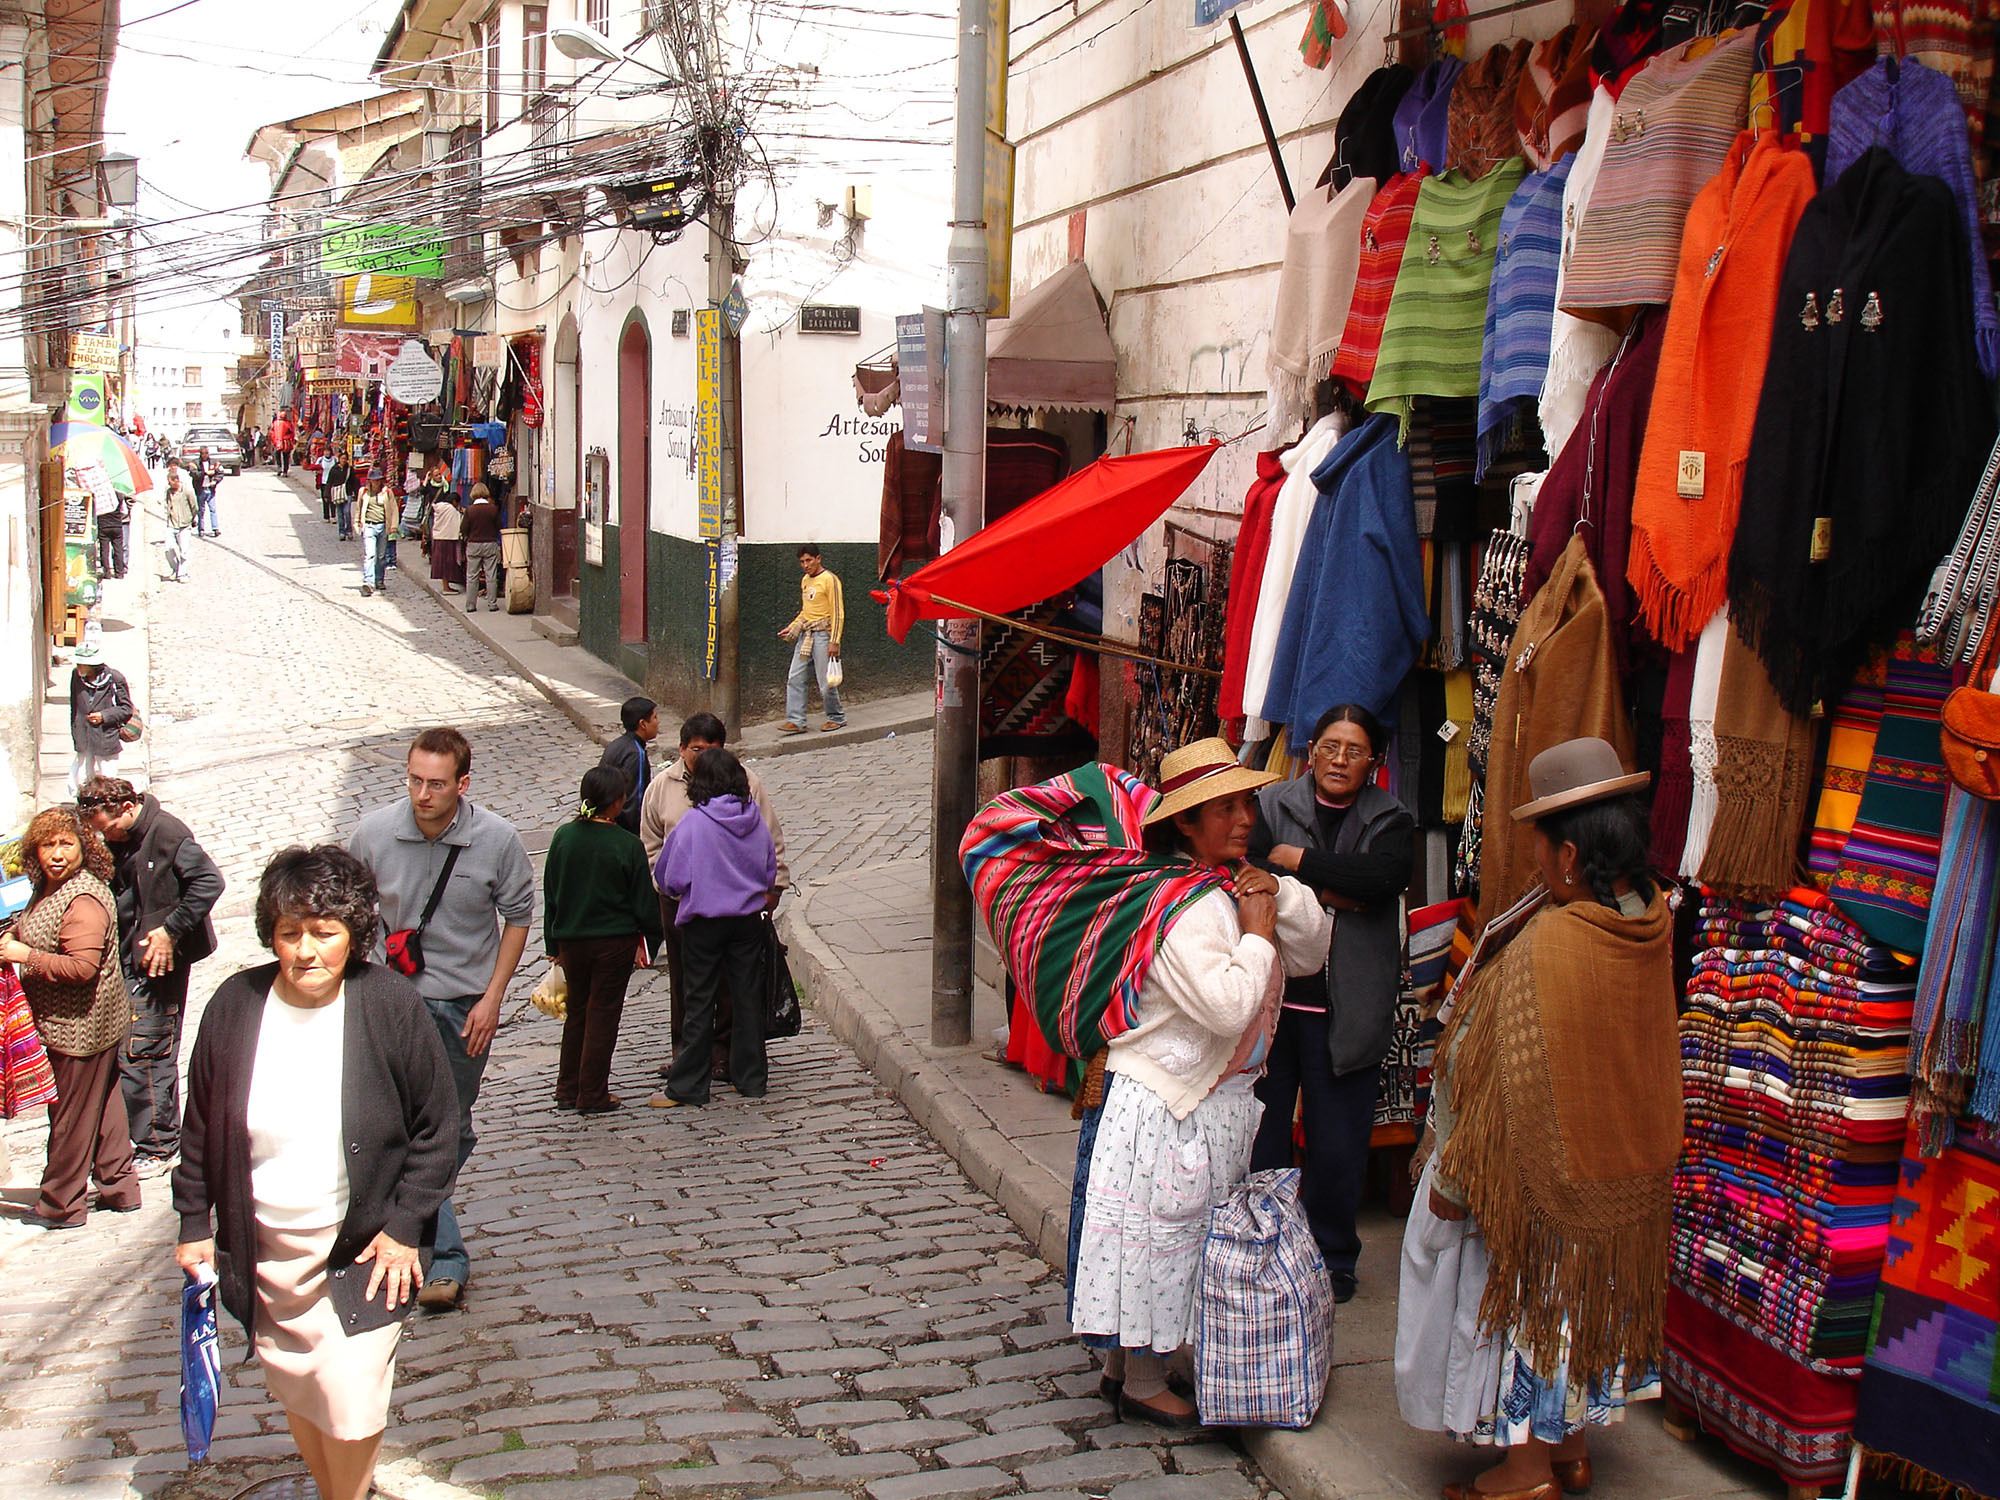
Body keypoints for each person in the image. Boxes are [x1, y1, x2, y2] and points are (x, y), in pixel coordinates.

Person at [1396, 738, 1679, 1500]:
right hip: (1619, 1162)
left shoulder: (1548, 942)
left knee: (1527, 1312)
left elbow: (1493, 1074)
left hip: (1542, 1176)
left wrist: (1455, 1173)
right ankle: (1570, 1450)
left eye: (1541, 847)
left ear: (1564, 856)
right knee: (1576, 1313)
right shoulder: (1647, 923)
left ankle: (1524, 1474)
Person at [173, 845, 459, 1500]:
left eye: (324, 933)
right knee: (298, 1383)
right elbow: (199, 1130)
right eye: (290, 933)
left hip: (362, 1250)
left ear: (352, 935)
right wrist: (194, 1223)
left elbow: (439, 1128)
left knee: (353, 1392)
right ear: (271, 934)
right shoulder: (234, 1007)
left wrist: (403, 1227)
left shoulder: (388, 1005)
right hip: (267, 1249)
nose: (306, 950)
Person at [1064, 738, 1332, 1426]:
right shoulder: (1180, 908)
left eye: (1248, 803)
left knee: (1170, 1238)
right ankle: (1143, 1381)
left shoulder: (1231, 887)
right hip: (1167, 1104)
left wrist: (1273, 895)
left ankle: (1127, 1365)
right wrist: (1258, 932)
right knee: (1162, 1240)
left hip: (1202, 1106)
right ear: (1185, 823)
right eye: (1225, 808)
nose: (1244, 818)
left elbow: (1313, 945)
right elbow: (1228, 1004)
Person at [347, 727, 533, 1312]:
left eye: (435, 783)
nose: (422, 794)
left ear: (462, 784)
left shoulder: (496, 840)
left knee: (449, 1128)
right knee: (405, 1127)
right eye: (414, 780)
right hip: (390, 1001)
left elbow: (519, 916)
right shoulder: (374, 834)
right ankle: (445, 1256)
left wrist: (493, 997)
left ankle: (410, 1224)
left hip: (461, 1005)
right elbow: (349, 908)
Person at [1248, 704, 1415, 1303]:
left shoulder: (1391, 816)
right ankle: (1264, 1247)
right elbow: (1256, 872)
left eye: (1355, 750)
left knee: (1338, 1141)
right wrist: (1339, 886)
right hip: (1275, 1003)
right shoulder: (1271, 806)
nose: (1341, 759)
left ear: (1373, 761)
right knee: (1263, 1137)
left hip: (1351, 1004)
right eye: (1330, 746)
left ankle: (1332, 1258)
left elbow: (1384, 880)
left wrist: (1299, 866)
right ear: (1310, 750)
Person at [0, 806, 140, 1227]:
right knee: (103, 1107)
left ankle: (62, 1204)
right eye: (48, 845)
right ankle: (120, 1185)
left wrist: (26, 956)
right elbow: (40, 926)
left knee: (69, 1117)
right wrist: (16, 935)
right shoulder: (50, 888)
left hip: (80, 1028)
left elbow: (82, 968)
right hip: (86, 1023)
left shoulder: (84, 898)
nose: (57, 854)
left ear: (83, 847)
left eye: (66, 844)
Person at [81, 777, 224, 1175]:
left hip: (159, 961)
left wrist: (169, 930)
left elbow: (209, 882)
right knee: (134, 1046)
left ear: (126, 809)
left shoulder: (167, 832)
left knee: (147, 1048)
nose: (104, 836)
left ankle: (159, 1145)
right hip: (127, 957)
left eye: (107, 827)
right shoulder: (119, 837)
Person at [639, 713, 789, 1089]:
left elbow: (670, 875)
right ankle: (751, 1077)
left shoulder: (694, 823)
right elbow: (768, 861)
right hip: (744, 917)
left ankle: (692, 1081)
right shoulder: (750, 818)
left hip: (702, 917)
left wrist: (688, 886)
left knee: (699, 994)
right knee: (745, 995)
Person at [542, 766, 663, 1114]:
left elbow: (551, 893)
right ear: (617, 801)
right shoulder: (626, 844)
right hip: (613, 942)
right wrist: (650, 939)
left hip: (571, 941)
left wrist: (553, 945)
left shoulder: (563, 837)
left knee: (577, 1012)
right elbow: (643, 902)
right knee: (603, 1015)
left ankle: (567, 1087)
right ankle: (592, 1093)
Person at [777, 543, 846, 733]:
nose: (806, 565)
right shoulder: (805, 581)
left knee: (826, 682)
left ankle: (836, 717)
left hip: (824, 635)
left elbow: (838, 612)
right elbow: (805, 612)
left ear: (818, 559)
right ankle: (796, 721)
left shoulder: (830, 580)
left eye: (809, 560)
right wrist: (792, 628)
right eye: (802, 562)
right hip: (806, 636)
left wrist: (835, 640)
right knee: (795, 677)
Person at [67, 640, 132, 794]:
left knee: (108, 781)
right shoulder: (76, 676)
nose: (79, 667)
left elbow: (126, 708)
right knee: (82, 779)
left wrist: (104, 716)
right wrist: (76, 731)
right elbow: (74, 705)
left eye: (82, 664)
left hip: (105, 737)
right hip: (84, 737)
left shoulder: (115, 679)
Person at [598, 697, 659, 837]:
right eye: (655, 717)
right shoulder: (636, 754)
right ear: (643, 724)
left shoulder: (617, 744)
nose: (658, 722)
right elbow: (634, 802)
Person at [462, 483, 503, 612]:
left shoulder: (470, 510)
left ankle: (471, 605)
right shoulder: (493, 509)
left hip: (474, 544)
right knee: (491, 574)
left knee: (472, 576)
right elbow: (499, 526)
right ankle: (492, 603)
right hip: (490, 543)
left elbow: (463, 528)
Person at [357, 471, 398, 598]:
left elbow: (394, 509)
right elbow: (359, 508)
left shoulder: (387, 492)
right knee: (370, 555)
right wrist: (357, 523)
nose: (376, 482)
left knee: (381, 556)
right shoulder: (363, 492)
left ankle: (379, 579)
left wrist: (393, 526)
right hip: (369, 526)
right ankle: (368, 582)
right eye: (373, 480)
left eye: (378, 480)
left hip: (382, 526)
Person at [163, 458, 199, 583]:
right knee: (168, 549)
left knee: (184, 551)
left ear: (177, 481)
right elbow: (167, 506)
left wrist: (191, 518)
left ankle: (182, 574)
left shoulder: (187, 491)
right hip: (172, 524)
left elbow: (194, 506)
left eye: (171, 482)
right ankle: (176, 568)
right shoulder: (168, 492)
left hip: (184, 524)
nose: (170, 485)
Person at [428, 488, 464, 593]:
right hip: (447, 539)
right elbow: (458, 522)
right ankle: (446, 588)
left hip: (438, 538)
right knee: (447, 564)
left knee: (442, 564)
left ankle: (446, 586)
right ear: (454, 502)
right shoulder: (451, 510)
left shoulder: (440, 507)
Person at [93, 478, 127, 580]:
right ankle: (119, 573)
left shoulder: (99, 496)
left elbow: (95, 512)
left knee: (104, 550)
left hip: (103, 526)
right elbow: (124, 512)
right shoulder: (119, 496)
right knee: (118, 549)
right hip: (117, 526)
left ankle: (107, 573)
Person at [194, 447, 223, 537]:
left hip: (210, 490)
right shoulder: (195, 463)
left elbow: (220, 473)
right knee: (201, 510)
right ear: (200, 454)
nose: (205, 455)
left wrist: (215, 481)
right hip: (200, 489)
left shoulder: (215, 463)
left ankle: (215, 528)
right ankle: (201, 529)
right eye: (203, 453)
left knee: (213, 509)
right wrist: (205, 473)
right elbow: (194, 474)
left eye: (206, 453)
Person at [270, 410, 295, 476]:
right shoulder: (288, 423)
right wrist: (290, 440)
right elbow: (292, 433)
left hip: (277, 442)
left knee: (277, 455)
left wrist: (274, 441)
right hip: (286, 442)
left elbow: (272, 433)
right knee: (286, 457)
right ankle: (285, 471)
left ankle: (279, 468)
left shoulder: (275, 423)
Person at [317, 449, 338, 522]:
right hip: (324, 482)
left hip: (333, 482)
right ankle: (326, 516)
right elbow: (316, 468)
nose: (327, 453)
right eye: (325, 451)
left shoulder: (335, 459)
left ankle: (333, 516)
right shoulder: (320, 460)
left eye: (328, 451)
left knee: (333, 500)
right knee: (325, 499)